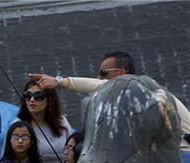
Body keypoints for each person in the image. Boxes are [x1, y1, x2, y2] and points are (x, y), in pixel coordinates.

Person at [29, 51, 190, 149]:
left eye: (104, 72)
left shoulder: (140, 89)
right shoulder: (132, 100)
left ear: (121, 73)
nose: (99, 77)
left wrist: (59, 81)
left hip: (183, 154)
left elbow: (101, 86)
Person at [15, 80, 73, 163]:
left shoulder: (61, 122)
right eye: (28, 96)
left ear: (49, 100)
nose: (32, 100)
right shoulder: (18, 126)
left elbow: (73, 153)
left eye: (38, 96)